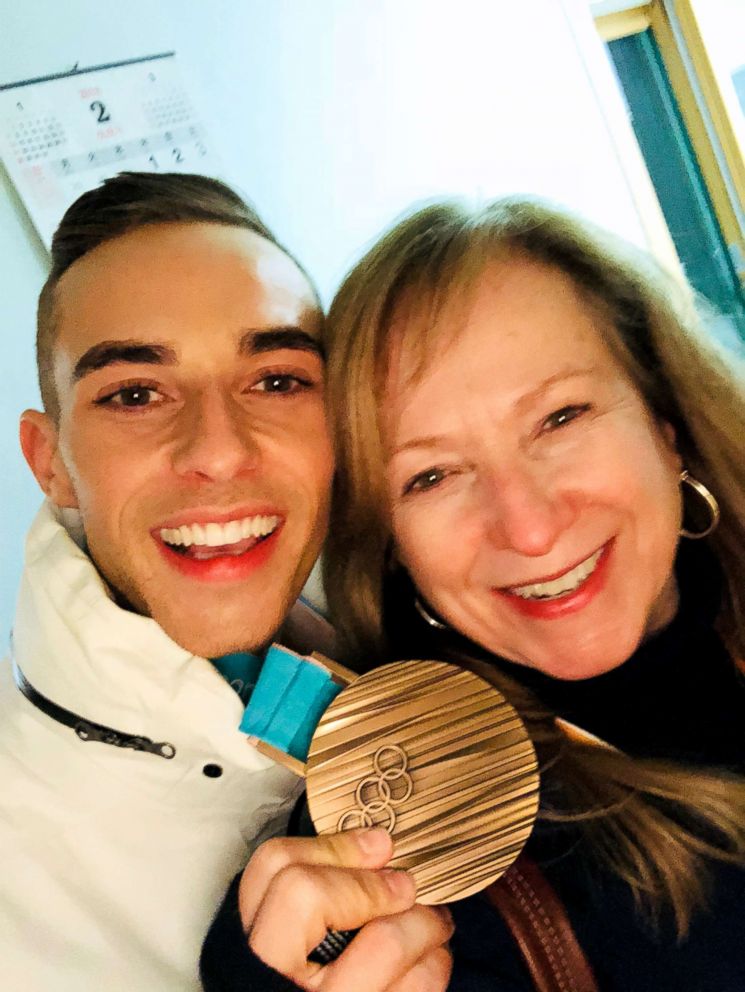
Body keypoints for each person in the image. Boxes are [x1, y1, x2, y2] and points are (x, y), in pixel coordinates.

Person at [203, 196, 745, 991]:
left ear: (663, 423)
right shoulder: (416, 852)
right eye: (430, 475)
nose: (526, 528)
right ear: (389, 545)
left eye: (559, 417)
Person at [1, 172, 450, 992]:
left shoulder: (448, 644)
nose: (217, 450)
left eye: (277, 381)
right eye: (135, 394)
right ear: (51, 463)